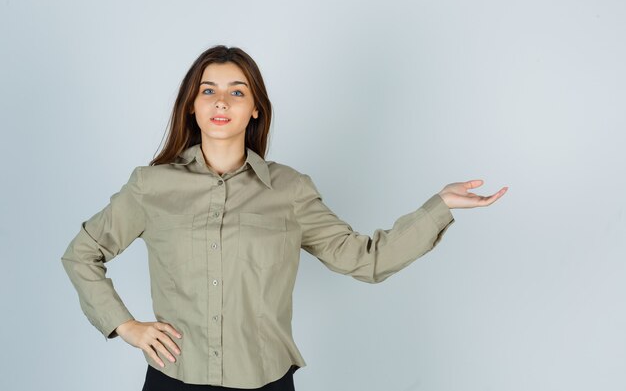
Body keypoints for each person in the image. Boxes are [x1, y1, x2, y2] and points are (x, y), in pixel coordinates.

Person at [61, 44, 508, 391]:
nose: (221, 101)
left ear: (255, 108)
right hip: (173, 380)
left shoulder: (289, 190)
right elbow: (82, 254)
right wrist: (127, 326)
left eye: (237, 91)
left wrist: (440, 207)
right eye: (208, 91)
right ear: (192, 107)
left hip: (266, 381)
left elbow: (365, 259)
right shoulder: (151, 186)